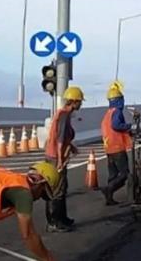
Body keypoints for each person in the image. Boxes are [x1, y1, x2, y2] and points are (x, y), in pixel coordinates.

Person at [44, 85, 84, 232]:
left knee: (62, 187)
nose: (81, 104)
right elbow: (59, 139)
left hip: (55, 154)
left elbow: (64, 138)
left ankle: (62, 218)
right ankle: (54, 222)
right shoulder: (63, 115)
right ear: (73, 101)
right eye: (79, 101)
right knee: (57, 190)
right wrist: (60, 160)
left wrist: (71, 147)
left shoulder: (65, 115)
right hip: (55, 156)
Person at [100, 80, 133, 206]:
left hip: (109, 148)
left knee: (113, 174)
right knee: (124, 174)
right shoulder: (117, 112)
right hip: (118, 147)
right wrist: (129, 126)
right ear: (119, 100)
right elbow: (116, 125)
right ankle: (109, 189)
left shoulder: (107, 114)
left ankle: (109, 198)